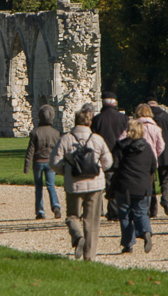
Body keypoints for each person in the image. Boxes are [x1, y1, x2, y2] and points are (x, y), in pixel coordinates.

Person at [50, 108, 114, 261]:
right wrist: (98, 170)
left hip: (74, 184)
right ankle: (89, 256)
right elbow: (108, 162)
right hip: (95, 184)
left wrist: (65, 171)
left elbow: (54, 162)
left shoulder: (66, 139)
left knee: (72, 216)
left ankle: (78, 236)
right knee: (92, 221)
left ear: (75, 121)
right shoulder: (97, 139)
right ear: (90, 122)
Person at [114, 120, 156, 254]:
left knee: (125, 215)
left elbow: (114, 164)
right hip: (142, 186)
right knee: (141, 212)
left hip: (124, 185)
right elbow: (153, 166)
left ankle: (128, 244)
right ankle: (145, 232)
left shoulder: (121, 146)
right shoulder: (147, 148)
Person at [92, 93, 130, 217]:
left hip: (102, 154)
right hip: (120, 154)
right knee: (119, 182)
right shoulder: (124, 119)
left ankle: (103, 209)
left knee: (104, 183)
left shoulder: (98, 119)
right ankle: (117, 209)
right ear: (115, 103)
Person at [24, 105, 63, 219]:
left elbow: (30, 151)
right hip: (50, 162)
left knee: (39, 187)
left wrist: (27, 166)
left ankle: (40, 211)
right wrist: (60, 165)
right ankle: (56, 206)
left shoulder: (35, 132)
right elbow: (58, 150)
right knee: (51, 185)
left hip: (38, 162)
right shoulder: (55, 133)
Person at [147, 99, 168, 217]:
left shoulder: (147, 118)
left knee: (151, 180)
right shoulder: (167, 117)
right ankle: (165, 198)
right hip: (165, 152)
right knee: (165, 178)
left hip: (151, 153)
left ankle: (153, 207)